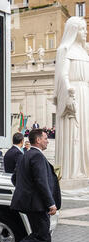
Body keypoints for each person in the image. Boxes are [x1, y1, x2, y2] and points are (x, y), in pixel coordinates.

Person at [0, 129, 63, 242]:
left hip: (30, 203)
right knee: (41, 235)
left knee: (44, 237)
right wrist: (51, 203)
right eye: (46, 138)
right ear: (38, 140)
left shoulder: (25, 155)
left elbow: (15, 178)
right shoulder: (36, 156)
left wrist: (25, 191)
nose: (47, 140)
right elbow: (41, 182)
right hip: (37, 205)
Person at [54, 16, 89, 179]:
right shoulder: (65, 49)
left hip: (85, 94)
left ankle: (84, 169)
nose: (86, 31)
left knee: (85, 133)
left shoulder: (84, 51)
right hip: (74, 93)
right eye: (82, 29)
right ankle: (72, 172)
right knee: (74, 132)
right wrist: (68, 89)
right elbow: (63, 73)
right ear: (74, 31)